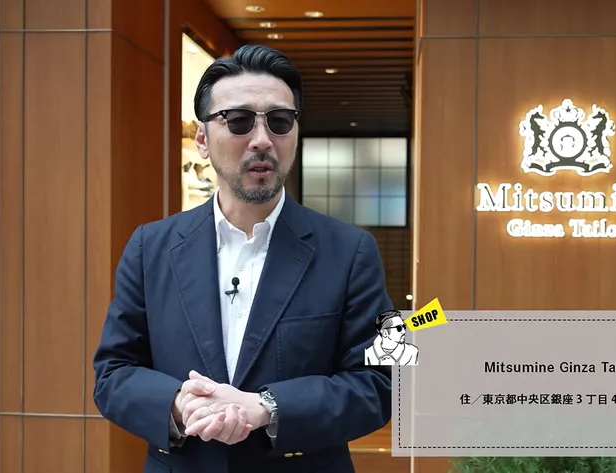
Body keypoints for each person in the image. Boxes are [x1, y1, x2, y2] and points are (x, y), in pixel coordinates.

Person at [92, 44, 394, 473]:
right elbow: (112, 373)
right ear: (202, 140)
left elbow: (384, 382)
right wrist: (177, 403)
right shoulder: (149, 247)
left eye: (280, 121)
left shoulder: (353, 250)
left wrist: (267, 407)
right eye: (238, 120)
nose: (262, 140)